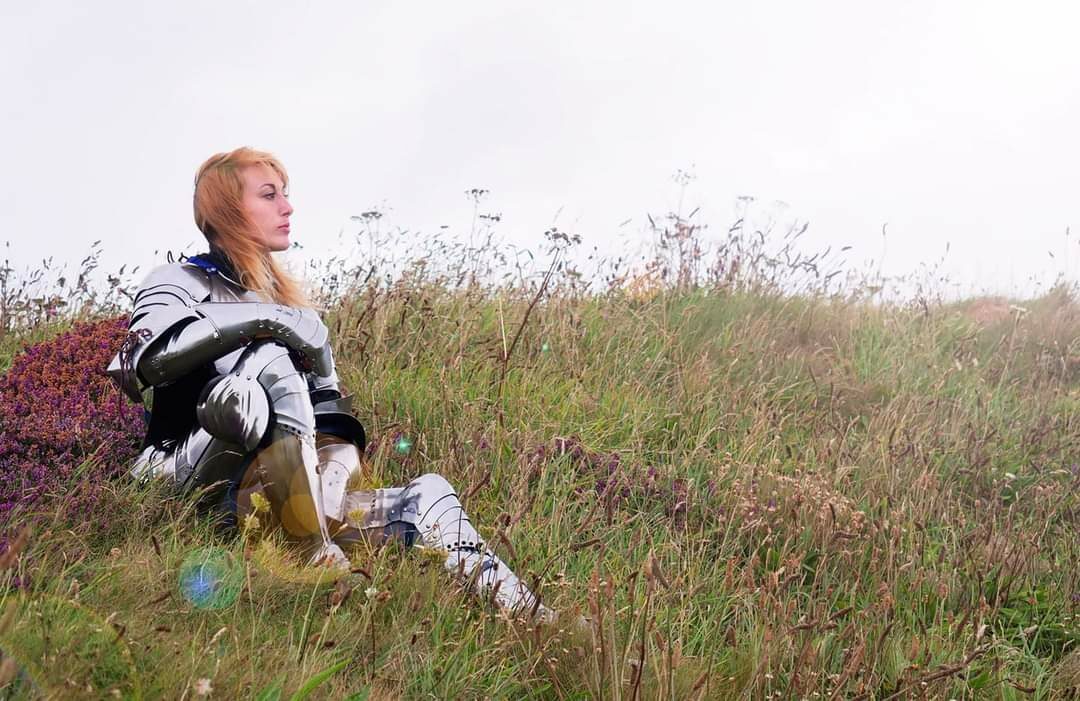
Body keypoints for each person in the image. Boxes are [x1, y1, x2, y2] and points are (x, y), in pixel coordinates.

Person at [107, 147, 548, 620]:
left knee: (428, 495)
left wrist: (330, 487)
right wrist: (270, 319)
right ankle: (312, 555)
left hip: (284, 499)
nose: (287, 207)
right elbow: (139, 363)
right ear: (228, 208)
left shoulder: (295, 309)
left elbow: (333, 425)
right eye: (269, 195)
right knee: (257, 373)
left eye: (285, 194)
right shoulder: (180, 278)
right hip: (186, 476)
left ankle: (537, 620)